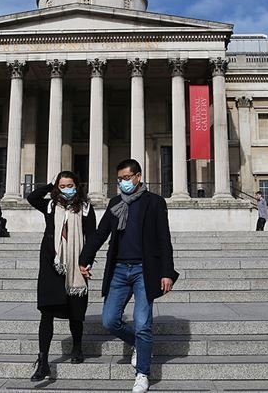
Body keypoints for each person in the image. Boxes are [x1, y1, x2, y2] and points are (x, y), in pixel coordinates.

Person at [79, 159, 178, 393]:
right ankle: (140, 345)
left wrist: (166, 272)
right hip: (119, 270)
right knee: (109, 320)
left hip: (145, 270)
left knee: (143, 324)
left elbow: (164, 239)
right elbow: (100, 234)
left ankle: (142, 373)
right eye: (120, 179)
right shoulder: (116, 203)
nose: (123, 182)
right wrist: (85, 258)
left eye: (127, 178)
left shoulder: (154, 202)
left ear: (138, 176)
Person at [26, 171, 96, 382]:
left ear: (77, 186)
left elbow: (92, 237)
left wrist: (86, 262)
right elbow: (32, 197)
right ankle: (43, 361)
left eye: (70, 185)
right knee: (46, 311)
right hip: (51, 263)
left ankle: (77, 347)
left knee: (76, 311)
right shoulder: (49, 205)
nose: (67, 189)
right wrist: (50, 185)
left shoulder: (85, 208)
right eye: (62, 186)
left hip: (75, 264)